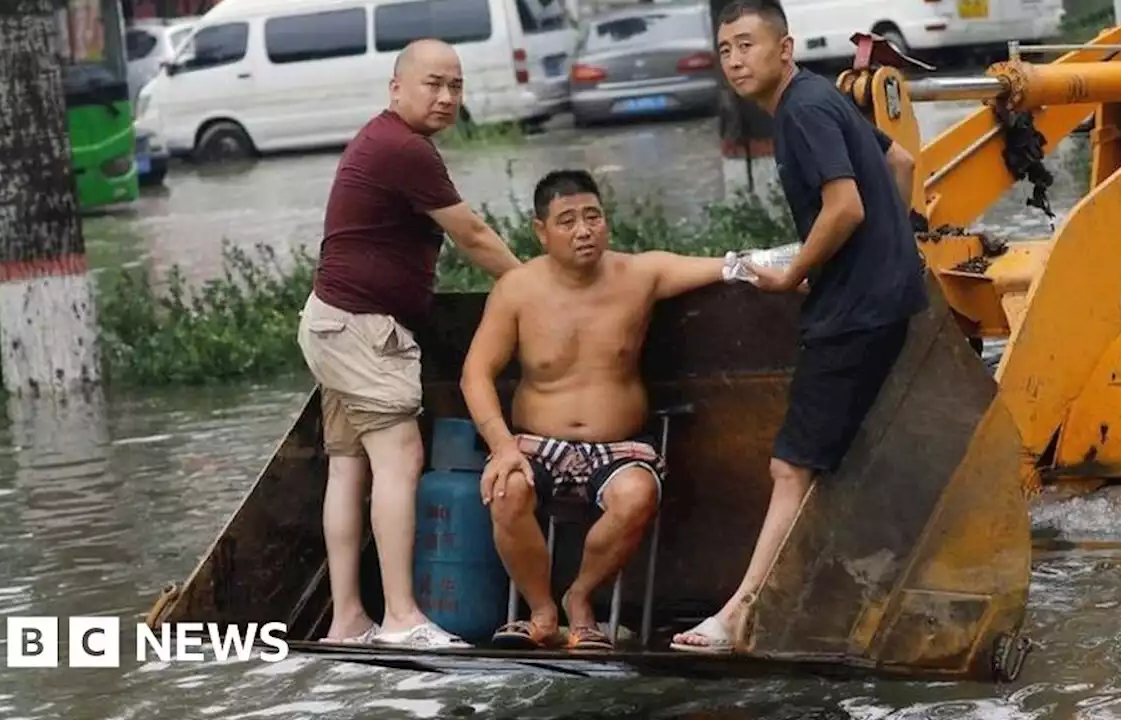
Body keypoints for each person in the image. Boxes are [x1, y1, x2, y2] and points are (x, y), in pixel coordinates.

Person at [670, 0, 927, 654]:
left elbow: (844, 206)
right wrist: (887, 256)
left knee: (792, 467)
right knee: (830, 464)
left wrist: (796, 272)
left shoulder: (802, 111)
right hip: (883, 301)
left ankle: (739, 615)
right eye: (725, 48)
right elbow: (900, 164)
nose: (735, 59)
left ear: (784, 49)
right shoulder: (819, 99)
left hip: (851, 317)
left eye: (748, 44)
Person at [459, 169, 752, 650]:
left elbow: (730, 266)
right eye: (567, 220)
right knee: (507, 488)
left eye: (592, 216)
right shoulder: (516, 288)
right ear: (540, 230)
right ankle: (541, 609)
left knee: (637, 494)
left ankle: (580, 597)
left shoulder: (641, 273)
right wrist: (502, 445)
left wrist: (798, 267)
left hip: (617, 447)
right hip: (535, 442)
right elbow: (475, 375)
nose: (583, 230)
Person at [296, 38, 523, 649]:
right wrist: (534, 285)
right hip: (365, 331)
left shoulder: (383, 139)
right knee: (400, 463)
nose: (446, 96)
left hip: (332, 323)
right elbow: (474, 235)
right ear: (396, 88)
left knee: (349, 470)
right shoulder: (403, 147)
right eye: (433, 84)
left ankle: (348, 619)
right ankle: (400, 618)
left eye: (456, 85)